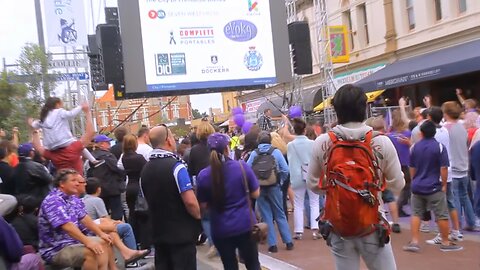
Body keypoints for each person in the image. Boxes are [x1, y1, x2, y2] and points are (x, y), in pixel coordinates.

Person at [307, 84, 405, 270]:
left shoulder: (323, 142)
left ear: (336, 110)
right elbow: (398, 184)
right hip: (372, 222)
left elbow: (313, 184)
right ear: (365, 108)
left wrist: (337, 188)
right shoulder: (381, 142)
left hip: (338, 224)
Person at [197, 133, 261, 270]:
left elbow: (203, 205)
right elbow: (256, 193)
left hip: (221, 228)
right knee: (253, 264)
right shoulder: (242, 167)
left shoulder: (204, 175)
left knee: (229, 265)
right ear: (227, 148)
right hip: (245, 224)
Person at [141, 125, 201, 270]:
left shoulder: (145, 170)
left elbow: (145, 200)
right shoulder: (177, 167)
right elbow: (190, 201)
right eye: (173, 137)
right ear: (168, 140)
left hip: (159, 233)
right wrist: (199, 216)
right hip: (181, 235)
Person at [403, 120, 463, 252]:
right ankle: (445, 242)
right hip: (434, 186)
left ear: (422, 133)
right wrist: (444, 184)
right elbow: (444, 168)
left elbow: (411, 167)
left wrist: (414, 180)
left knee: (416, 213)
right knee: (441, 214)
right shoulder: (440, 147)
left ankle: (414, 241)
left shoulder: (415, 147)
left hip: (418, 185)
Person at [38, 169, 115, 269]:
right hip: (56, 249)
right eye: (73, 181)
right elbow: (67, 226)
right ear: (62, 184)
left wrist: (101, 233)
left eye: (78, 181)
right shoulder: (53, 201)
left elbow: (84, 218)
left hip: (73, 242)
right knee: (91, 251)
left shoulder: (72, 198)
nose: (77, 184)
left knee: (104, 242)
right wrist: (88, 241)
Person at [81, 178, 150, 267]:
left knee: (112, 230)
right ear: (99, 189)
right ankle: (132, 260)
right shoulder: (97, 200)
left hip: (95, 226)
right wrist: (115, 222)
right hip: (94, 228)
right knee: (125, 227)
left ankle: (126, 255)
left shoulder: (82, 200)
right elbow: (105, 218)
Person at [247, 131, 293, 253]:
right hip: (274, 186)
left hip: (260, 188)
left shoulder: (254, 154)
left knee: (267, 216)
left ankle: (272, 244)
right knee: (280, 213)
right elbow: (285, 170)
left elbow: (247, 170)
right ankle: (288, 241)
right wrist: (281, 181)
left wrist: (254, 184)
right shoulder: (276, 152)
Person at [422, 107, 463, 242]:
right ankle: (456, 231)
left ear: (430, 117)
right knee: (450, 202)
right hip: (448, 169)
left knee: (438, 205)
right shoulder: (444, 129)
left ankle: (442, 234)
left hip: (438, 172)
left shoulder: (435, 134)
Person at [29, 97, 102, 170]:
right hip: (64, 141)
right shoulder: (59, 112)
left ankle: (93, 160)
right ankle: (93, 160)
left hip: (51, 147)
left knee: (78, 144)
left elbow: (35, 127)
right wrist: (82, 107)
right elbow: (71, 114)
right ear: (57, 104)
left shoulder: (44, 117)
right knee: (80, 146)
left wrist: (32, 124)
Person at [442, 101, 478, 231]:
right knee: (465, 196)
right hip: (464, 165)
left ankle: (457, 225)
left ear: (446, 113)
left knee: (454, 197)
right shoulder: (462, 127)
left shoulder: (445, 128)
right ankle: (471, 221)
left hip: (453, 166)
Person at [287, 118, 320, 240]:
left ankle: (298, 231)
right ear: (305, 130)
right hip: (311, 175)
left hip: (297, 177)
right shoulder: (312, 143)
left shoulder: (290, 145)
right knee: (314, 202)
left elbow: (290, 162)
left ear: (294, 131)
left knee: (298, 204)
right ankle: (315, 229)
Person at [120, 134, 149, 248]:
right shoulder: (139, 158)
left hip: (129, 187)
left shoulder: (124, 157)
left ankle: (134, 241)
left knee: (132, 215)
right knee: (144, 216)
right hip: (139, 187)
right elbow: (146, 170)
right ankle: (145, 244)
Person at [90, 134, 126, 221]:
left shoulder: (91, 157)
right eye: (107, 142)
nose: (109, 144)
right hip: (112, 189)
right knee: (117, 214)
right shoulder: (108, 156)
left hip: (99, 189)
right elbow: (117, 168)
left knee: (103, 214)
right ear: (101, 144)